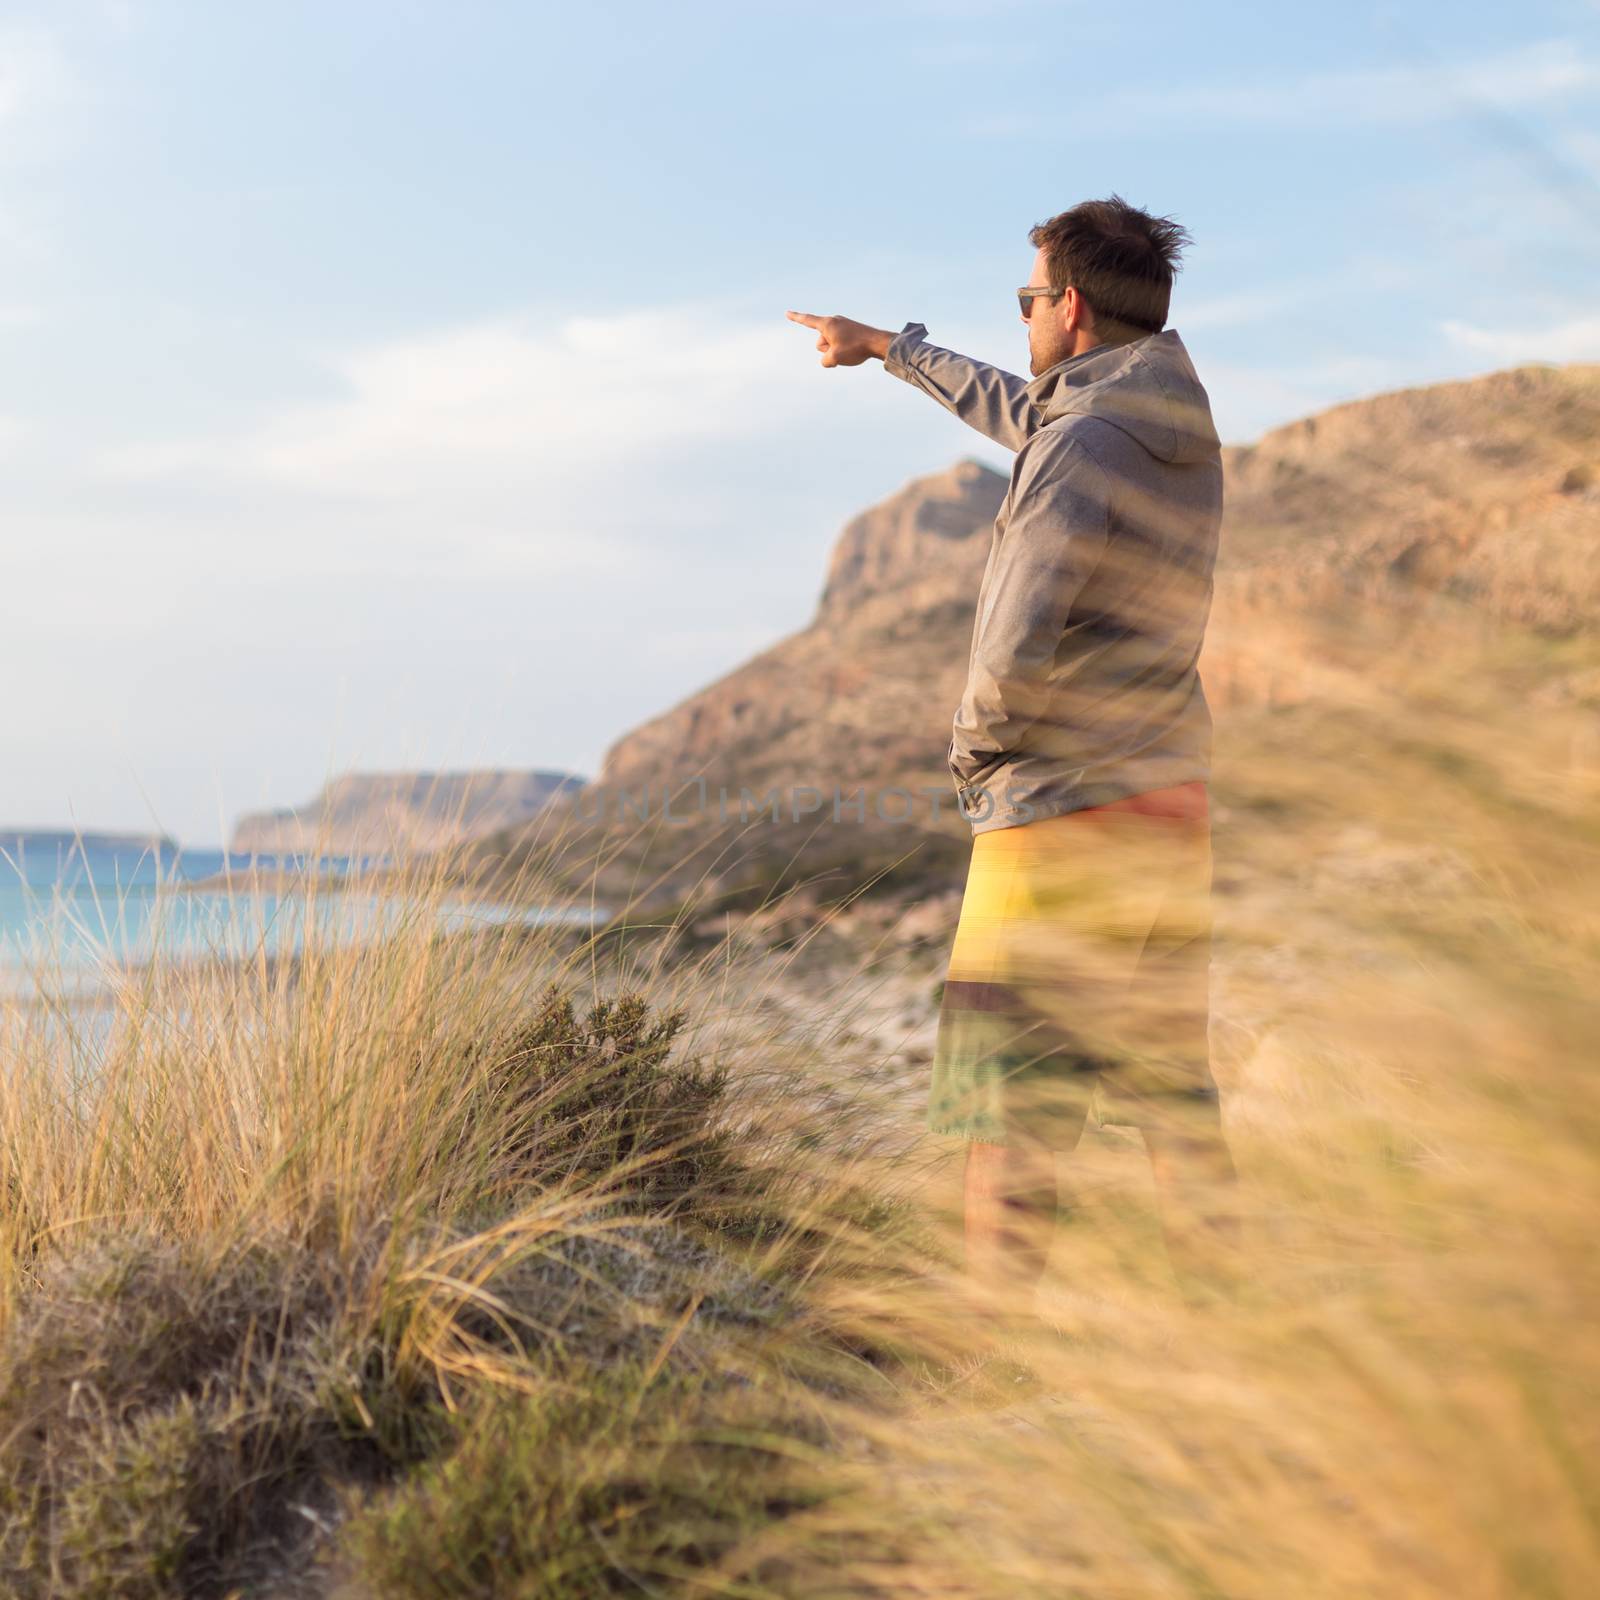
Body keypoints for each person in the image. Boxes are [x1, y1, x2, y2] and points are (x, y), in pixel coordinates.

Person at [785, 195, 1240, 1299]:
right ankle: (1239, 1328)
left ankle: (990, 1364)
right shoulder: (1169, 420)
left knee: (1007, 1106)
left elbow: (1012, 641)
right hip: (1166, 805)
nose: (1025, 318)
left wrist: (974, 758)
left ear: (1069, 307)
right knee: (1167, 1088)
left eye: (1028, 300)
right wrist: (895, 349)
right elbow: (1030, 408)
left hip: (1059, 815)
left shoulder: (1077, 446)